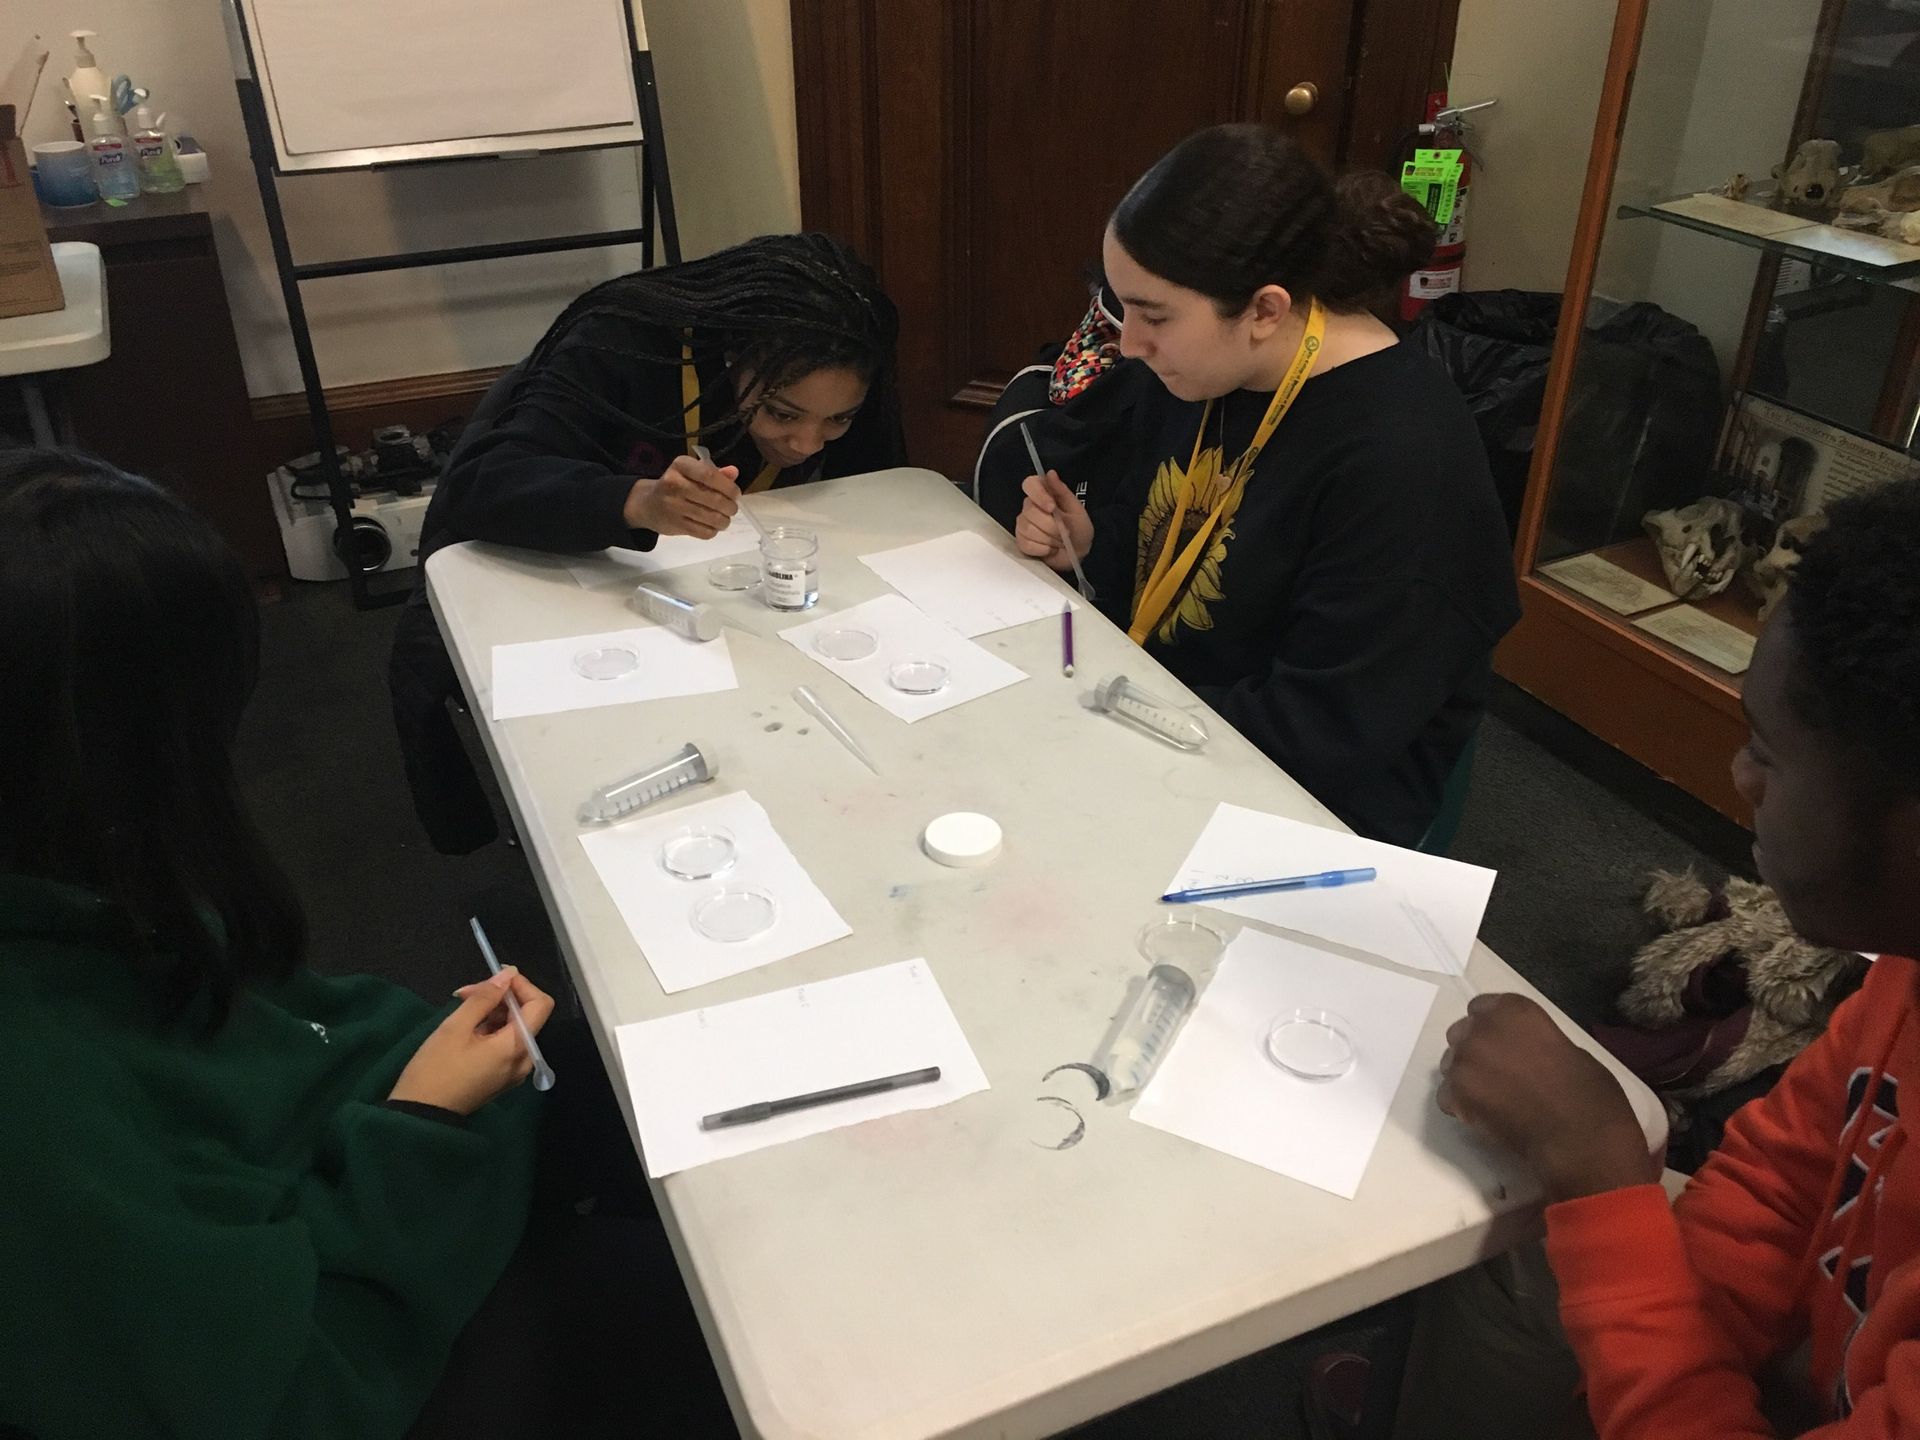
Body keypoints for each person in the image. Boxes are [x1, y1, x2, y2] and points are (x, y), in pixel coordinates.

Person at [0, 450, 555, 1439]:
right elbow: (291, 1393)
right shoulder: (40, 1109)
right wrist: (421, 1120)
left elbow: (253, 1045)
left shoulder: (79, 887)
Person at [1407, 476, 1920, 1437]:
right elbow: (1787, 1174)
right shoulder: (1904, 967)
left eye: (1768, 751)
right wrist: (1667, 1363)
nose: (1739, 777)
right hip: (1820, 1354)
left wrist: (1600, 1173)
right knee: (1511, 1219)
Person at [1012, 125, 1518, 847]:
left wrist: (1102, 725)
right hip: (1155, 723)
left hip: (1291, 808)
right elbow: (1164, 537)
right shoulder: (1197, 369)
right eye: (1121, 307)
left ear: (1265, 310)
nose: (1128, 345)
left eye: (1153, 316)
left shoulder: (1404, 463)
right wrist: (1093, 546)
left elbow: (1325, 737)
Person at [391, 232, 905, 853]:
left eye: (838, 420)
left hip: (733, 613)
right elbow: (478, 487)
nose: (807, 445)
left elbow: (878, 493)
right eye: (782, 413)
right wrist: (635, 502)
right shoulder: (624, 340)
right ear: (732, 354)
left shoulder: (849, 369)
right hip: (556, 582)